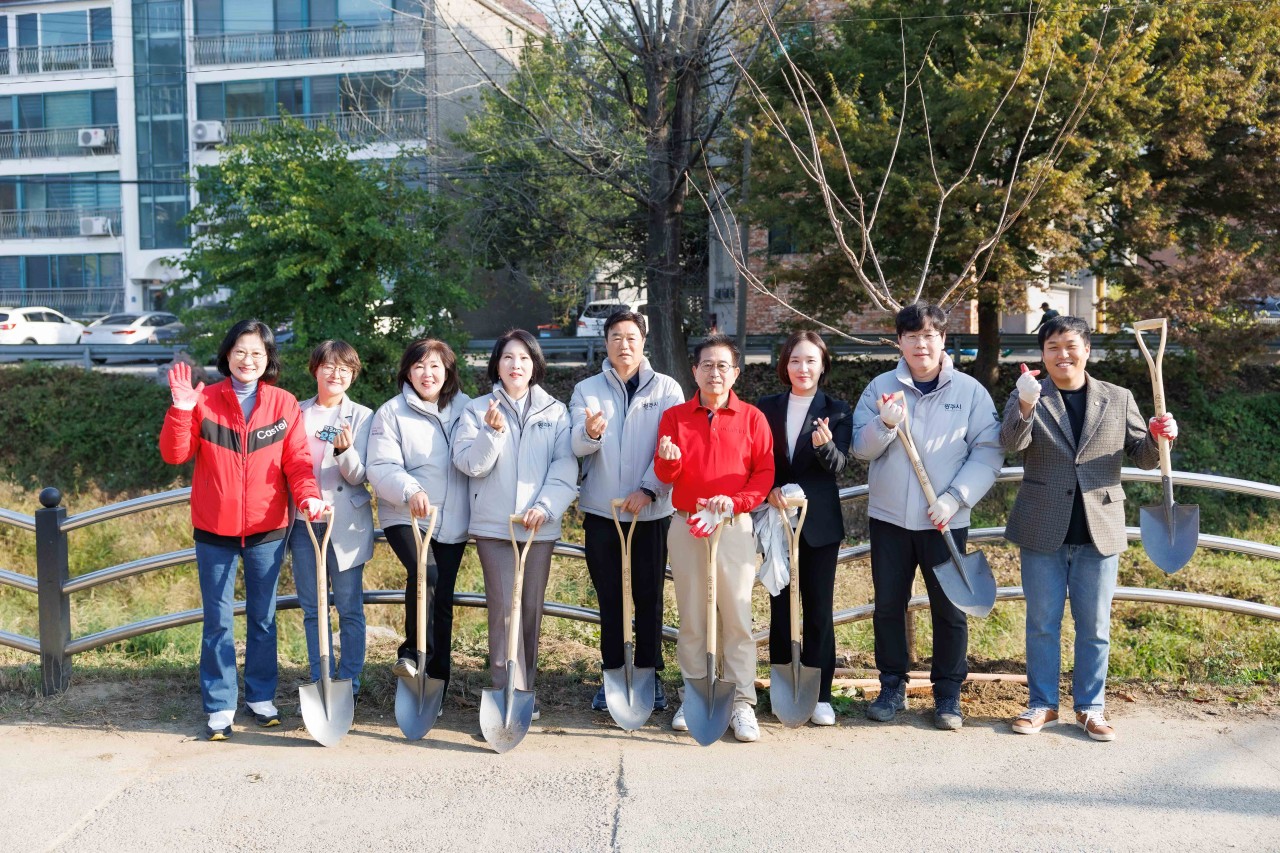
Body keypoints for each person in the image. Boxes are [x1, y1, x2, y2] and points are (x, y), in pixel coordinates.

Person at [1001, 315, 1175, 742]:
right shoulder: (1029, 393)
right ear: (1042, 353)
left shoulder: (1117, 398)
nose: (1063, 354)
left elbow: (1145, 456)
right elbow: (1010, 444)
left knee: (1095, 625)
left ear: (1087, 349)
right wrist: (1025, 405)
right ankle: (1041, 703)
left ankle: (1090, 708)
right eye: (1053, 347)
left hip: (1100, 527)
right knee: (1042, 622)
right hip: (1042, 526)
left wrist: (1160, 436)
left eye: (1070, 345)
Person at [159, 319, 325, 741]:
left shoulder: (283, 403)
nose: (248, 360)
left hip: (268, 528)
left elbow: (298, 461)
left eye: (257, 353)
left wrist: (307, 496)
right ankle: (219, 705)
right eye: (240, 351)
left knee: (264, 618)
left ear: (268, 359)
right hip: (215, 529)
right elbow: (175, 455)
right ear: (227, 355)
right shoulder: (205, 400)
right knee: (217, 620)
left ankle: (260, 696)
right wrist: (181, 410)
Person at [852, 303, 1002, 730]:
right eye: (912, 336)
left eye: (929, 335)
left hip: (945, 521)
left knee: (950, 610)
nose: (921, 344)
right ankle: (892, 685)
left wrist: (956, 498)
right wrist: (883, 423)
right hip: (890, 520)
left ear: (942, 339)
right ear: (899, 342)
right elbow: (859, 449)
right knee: (888, 607)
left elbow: (989, 452)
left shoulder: (970, 392)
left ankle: (948, 694)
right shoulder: (881, 387)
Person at [655, 334, 774, 742]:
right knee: (692, 616)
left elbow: (763, 474)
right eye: (707, 365)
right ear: (695, 371)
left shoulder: (753, 418)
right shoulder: (675, 417)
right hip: (687, 524)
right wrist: (668, 463)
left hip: (733, 525)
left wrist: (737, 500)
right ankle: (695, 693)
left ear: (735, 372)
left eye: (723, 365)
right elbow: (666, 472)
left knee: (737, 616)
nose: (715, 372)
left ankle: (741, 701)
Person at [453, 330, 578, 719]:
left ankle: (526, 689)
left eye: (523, 358)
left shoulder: (555, 411)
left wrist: (546, 506)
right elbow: (470, 464)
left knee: (530, 610)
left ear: (535, 364)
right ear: (497, 364)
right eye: (507, 358)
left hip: (539, 526)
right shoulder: (476, 410)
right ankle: (508, 690)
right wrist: (491, 433)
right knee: (504, 609)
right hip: (495, 526)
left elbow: (565, 466)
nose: (515, 365)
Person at [570, 310, 684, 714]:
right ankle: (612, 675)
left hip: (651, 514)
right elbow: (576, 446)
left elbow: (674, 447)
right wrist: (591, 433)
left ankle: (650, 675)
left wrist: (649, 489)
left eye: (631, 336)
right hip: (603, 512)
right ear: (606, 344)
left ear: (644, 341)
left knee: (649, 596)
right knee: (611, 599)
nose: (624, 344)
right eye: (616, 337)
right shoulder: (587, 390)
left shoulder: (667, 389)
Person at [756, 331, 853, 727]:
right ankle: (783, 684)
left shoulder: (838, 410)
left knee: (817, 609)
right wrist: (769, 489)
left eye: (811, 360)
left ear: (823, 365)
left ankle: (821, 693)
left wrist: (824, 446)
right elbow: (757, 460)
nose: (803, 368)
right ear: (785, 365)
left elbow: (839, 466)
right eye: (796, 360)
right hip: (776, 516)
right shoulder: (766, 408)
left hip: (819, 522)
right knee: (780, 605)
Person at [367, 339, 472, 698]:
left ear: (448, 371)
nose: (427, 374)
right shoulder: (391, 412)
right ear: (407, 372)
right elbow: (380, 466)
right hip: (406, 514)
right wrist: (410, 490)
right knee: (425, 571)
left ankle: (437, 681)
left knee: (442, 598)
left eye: (435, 367)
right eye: (419, 367)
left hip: (453, 517)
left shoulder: (467, 408)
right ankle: (411, 652)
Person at [287, 341, 373, 697]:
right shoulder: (296, 411)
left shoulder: (364, 417)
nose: (336, 374)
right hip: (304, 521)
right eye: (329, 366)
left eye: (345, 369)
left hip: (345, 522)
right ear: (315, 369)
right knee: (312, 607)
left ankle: (349, 681)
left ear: (352, 375)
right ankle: (320, 675)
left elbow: (359, 476)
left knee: (349, 605)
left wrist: (344, 451)